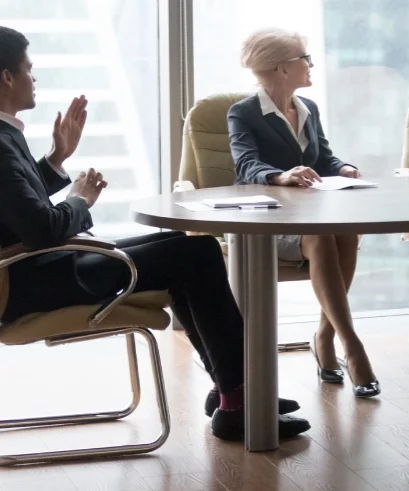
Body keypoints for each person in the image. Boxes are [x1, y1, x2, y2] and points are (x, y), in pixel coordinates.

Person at [0, 26, 310, 441]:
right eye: (28, 69)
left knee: (188, 246)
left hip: (38, 268)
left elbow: (16, 207)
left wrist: (57, 158)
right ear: (6, 77)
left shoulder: (5, 135)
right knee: (195, 256)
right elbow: (40, 228)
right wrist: (80, 199)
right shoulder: (1, 144)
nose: (33, 78)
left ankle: (231, 388)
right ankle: (237, 396)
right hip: (34, 279)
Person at [227, 28, 379, 398]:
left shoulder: (309, 108)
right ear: (282, 68)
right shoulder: (244, 113)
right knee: (321, 238)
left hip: (312, 214)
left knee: (346, 231)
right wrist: (281, 175)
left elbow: (324, 158)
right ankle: (352, 347)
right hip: (267, 222)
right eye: (304, 59)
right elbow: (246, 165)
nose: (311, 65)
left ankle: (325, 337)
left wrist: (343, 168)